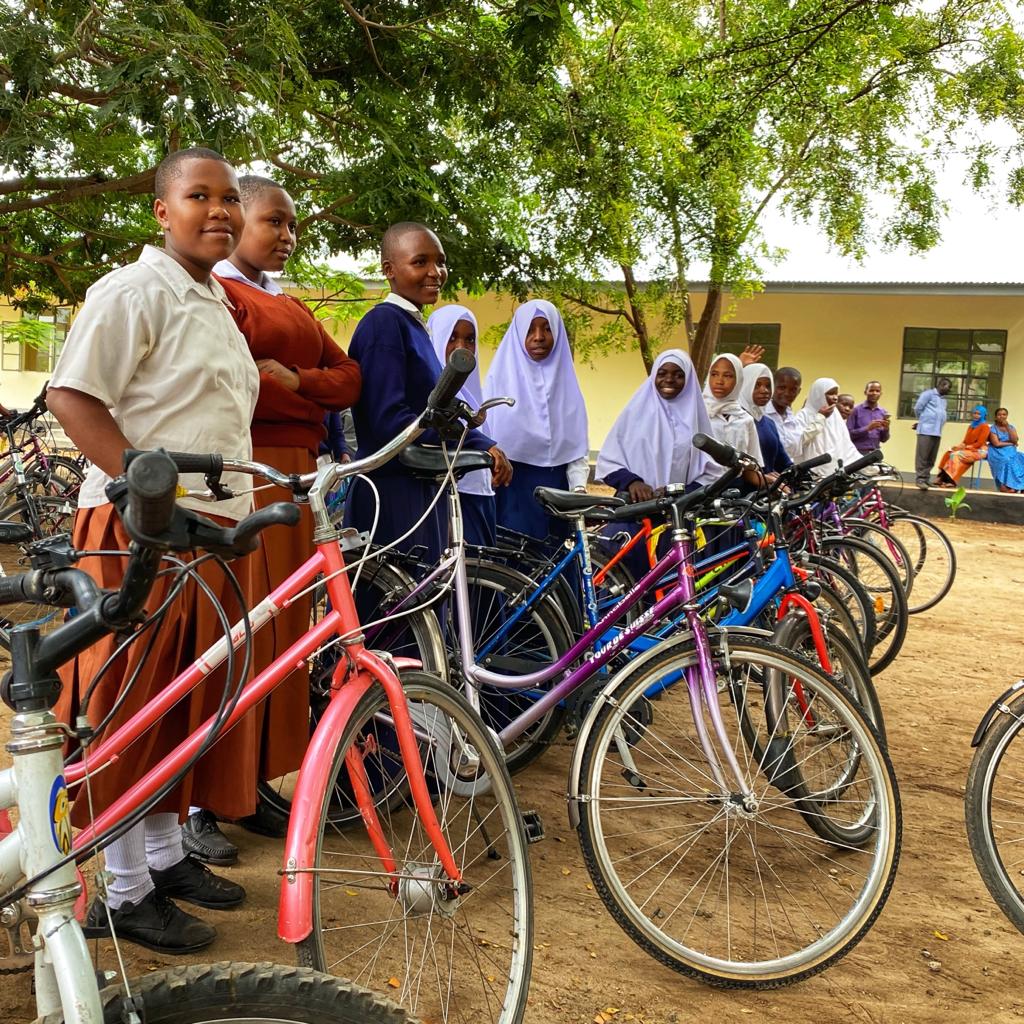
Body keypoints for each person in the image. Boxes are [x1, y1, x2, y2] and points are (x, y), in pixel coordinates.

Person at [46, 147, 258, 954]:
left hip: (199, 538)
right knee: (129, 712)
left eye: (229, 198)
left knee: (181, 707)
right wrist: (141, 485)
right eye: (197, 195)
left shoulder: (211, 299)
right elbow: (71, 394)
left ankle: (165, 858)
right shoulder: (135, 290)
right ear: (160, 211)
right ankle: (122, 891)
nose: (218, 210)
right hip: (140, 537)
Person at [174, 175, 362, 866]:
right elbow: (238, 385)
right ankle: (198, 803)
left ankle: (243, 788)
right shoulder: (219, 295)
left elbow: (350, 379)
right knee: (236, 632)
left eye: (292, 226)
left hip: (297, 481)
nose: (286, 235)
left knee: (281, 639)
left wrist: (299, 383)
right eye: (273, 221)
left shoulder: (287, 303)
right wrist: (290, 387)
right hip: (247, 477)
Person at [344, 222, 510, 565]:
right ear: (389, 270)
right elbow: (390, 420)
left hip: (419, 485)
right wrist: (469, 440)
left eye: (440, 262)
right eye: (420, 262)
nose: (435, 272)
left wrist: (480, 440)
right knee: (395, 609)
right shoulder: (384, 324)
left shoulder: (412, 325)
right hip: (391, 489)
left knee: (423, 605)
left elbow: (433, 410)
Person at [596, 349, 717, 579]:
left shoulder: (696, 418)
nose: (669, 379)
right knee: (628, 581)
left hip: (677, 516)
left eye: (678, 374)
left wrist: (681, 492)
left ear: (689, 379)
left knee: (672, 582)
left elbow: (710, 470)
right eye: (662, 373)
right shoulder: (635, 413)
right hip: (635, 515)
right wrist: (633, 482)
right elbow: (608, 460)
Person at [483, 299, 590, 546]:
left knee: (556, 565)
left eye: (546, 328)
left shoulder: (569, 388)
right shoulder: (498, 383)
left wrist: (579, 489)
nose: (539, 337)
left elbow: (577, 449)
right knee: (514, 566)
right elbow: (486, 438)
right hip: (512, 491)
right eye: (530, 329)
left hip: (558, 495)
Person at [426, 304, 502, 547]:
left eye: (469, 339)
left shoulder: (474, 395)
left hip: (479, 500)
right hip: (449, 502)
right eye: (451, 338)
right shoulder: (430, 392)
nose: (461, 348)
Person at [702, 353, 763, 465]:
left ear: (738, 380)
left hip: (735, 481)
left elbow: (751, 465)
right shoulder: (697, 412)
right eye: (714, 374)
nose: (719, 381)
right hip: (702, 482)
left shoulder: (745, 419)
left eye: (728, 376)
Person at [793, 377, 862, 475]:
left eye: (836, 393)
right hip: (810, 476)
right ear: (818, 394)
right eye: (830, 393)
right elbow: (798, 442)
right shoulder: (804, 415)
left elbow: (846, 446)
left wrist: (870, 466)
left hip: (834, 476)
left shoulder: (836, 417)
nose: (835, 397)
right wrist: (821, 418)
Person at [739, 363, 792, 479]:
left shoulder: (769, 423)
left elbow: (782, 461)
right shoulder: (736, 420)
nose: (764, 391)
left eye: (768, 386)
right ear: (744, 386)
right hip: (740, 492)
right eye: (756, 385)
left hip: (766, 492)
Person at [936, 404, 989, 487]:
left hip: (980, 450)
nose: (976, 415)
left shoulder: (985, 427)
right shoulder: (971, 426)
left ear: (983, 415)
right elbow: (965, 441)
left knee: (956, 455)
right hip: (968, 449)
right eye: (975, 413)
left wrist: (965, 448)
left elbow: (979, 443)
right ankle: (941, 478)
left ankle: (952, 481)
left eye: (978, 414)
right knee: (949, 452)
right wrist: (957, 447)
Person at [913, 377, 952, 490]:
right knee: (922, 456)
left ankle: (926, 478)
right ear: (941, 385)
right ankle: (920, 479)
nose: (949, 390)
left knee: (931, 457)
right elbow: (918, 408)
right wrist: (922, 421)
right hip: (926, 430)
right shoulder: (928, 394)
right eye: (948, 387)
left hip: (937, 431)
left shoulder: (943, 400)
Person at [764, 366, 804, 460]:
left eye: (793, 390)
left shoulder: (792, 418)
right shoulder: (762, 414)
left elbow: (795, 452)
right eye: (782, 388)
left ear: (798, 392)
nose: (787, 393)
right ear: (772, 386)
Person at [986, 407, 1024, 492]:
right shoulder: (993, 428)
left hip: (1011, 451)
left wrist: (1007, 427)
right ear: (996, 417)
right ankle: (1006, 486)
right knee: (1007, 460)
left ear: (1007, 416)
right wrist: (1010, 443)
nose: (1001, 416)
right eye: (999, 415)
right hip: (997, 451)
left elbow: (1015, 440)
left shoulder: (1011, 427)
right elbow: (997, 443)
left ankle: (1020, 486)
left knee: (1021, 459)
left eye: (1004, 414)